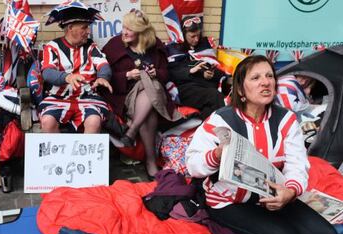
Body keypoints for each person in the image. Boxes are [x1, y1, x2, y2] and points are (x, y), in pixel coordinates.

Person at [186, 55, 338, 234]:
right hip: (231, 201)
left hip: (275, 195)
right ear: (241, 89)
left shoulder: (287, 120)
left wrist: (290, 191)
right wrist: (216, 155)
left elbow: (297, 164)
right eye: (255, 78)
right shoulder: (221, 120)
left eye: (269, 76)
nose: (265, 82)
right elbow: (193, 165)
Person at [102, 9, 181, 178]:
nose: (124, 31)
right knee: (149, 91)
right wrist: (127, 75)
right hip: (127, 94)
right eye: (124, 27)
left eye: (130, 28)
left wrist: (156, 73)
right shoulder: (114, 45)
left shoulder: (154, 46)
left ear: (141, 31)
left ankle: (131, 131)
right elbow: (104, 76)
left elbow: (165, 73)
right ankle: (151, 162)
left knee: (150, 84)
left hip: (151, 96)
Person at [39, 1, 113, 133]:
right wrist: (67, 77)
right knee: (47, 121)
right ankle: (58, 154)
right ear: (71, 27)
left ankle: (87, 154)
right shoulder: (52, 47)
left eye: (88, 27)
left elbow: (104, 65)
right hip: (58, 98)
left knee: (94, 121)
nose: (88, 32)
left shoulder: (91, 47)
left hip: (87, 97)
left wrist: (103, 76)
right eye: (84, 27)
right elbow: (47, 72)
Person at [166, 16, 227, 120]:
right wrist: (190, 70)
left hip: (206, 86)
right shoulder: (174, 48)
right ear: (183, 35)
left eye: (198, 35)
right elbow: (171, 74)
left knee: (210, 109)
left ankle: (204, 130)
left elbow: (219, 69)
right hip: (186, 89)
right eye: (192, 36)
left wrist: (210, 74)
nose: (196, 39)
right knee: (215, 96)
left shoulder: (205, 46)